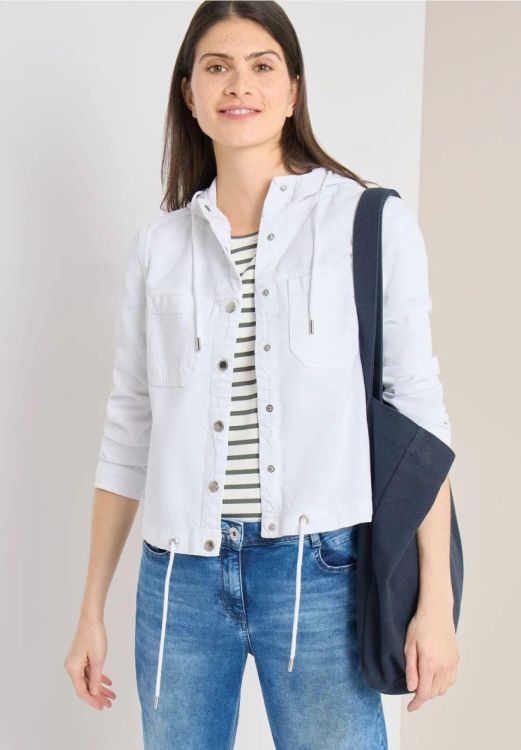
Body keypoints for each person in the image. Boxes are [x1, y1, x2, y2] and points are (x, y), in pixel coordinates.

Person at [64, 1, 459, 747]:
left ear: (292, 90)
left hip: (321, 572)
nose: (238, 85)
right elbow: (128, 429)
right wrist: (91, 608)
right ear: (189, 94)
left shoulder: (364, 223)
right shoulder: (158, 249)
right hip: (178, 579)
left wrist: (434, 602)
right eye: (216, 67)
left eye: (261, 66)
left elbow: (419, 421)